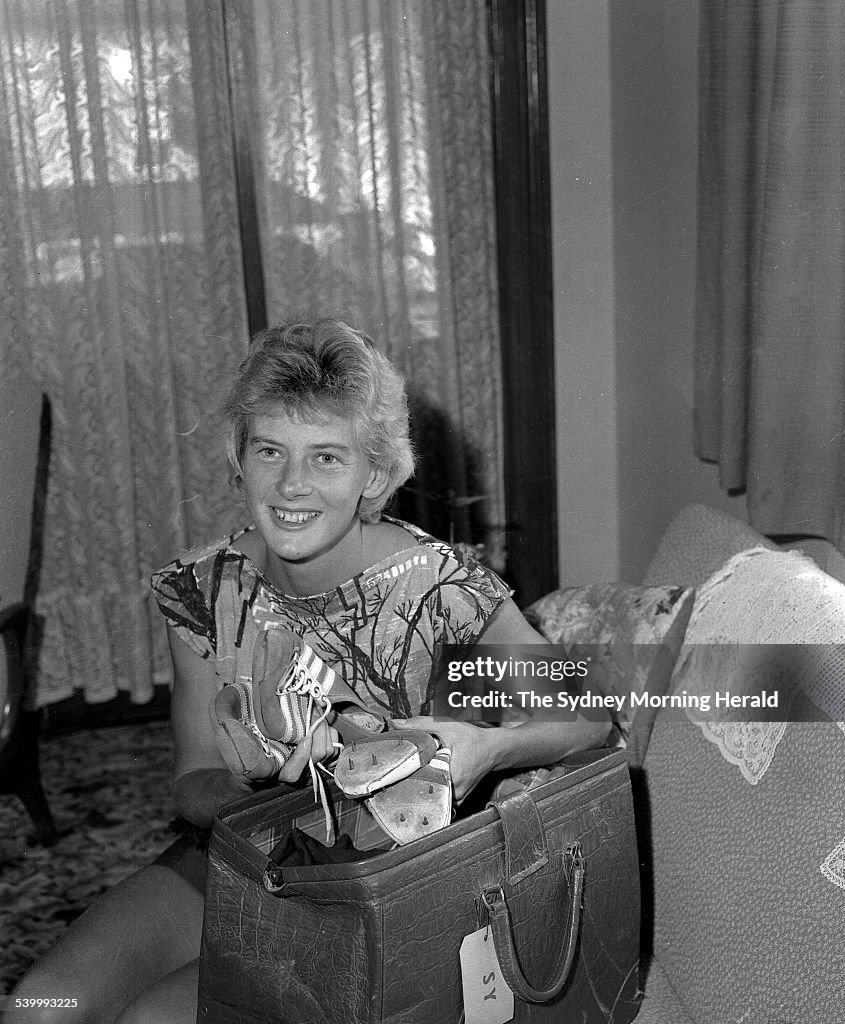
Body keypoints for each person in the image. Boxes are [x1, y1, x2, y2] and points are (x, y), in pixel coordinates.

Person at [6, 317, 610, 1024]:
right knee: (36, 1008)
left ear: (374, 474)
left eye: (327, 457)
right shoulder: (200, 591)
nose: (291, 485)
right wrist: (257, 773)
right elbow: (191, 780)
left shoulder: (436, 585)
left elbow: (588, 715)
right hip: (239, 854)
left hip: (385, 881)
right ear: (239, 458)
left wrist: (484, 746)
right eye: (269, 450)